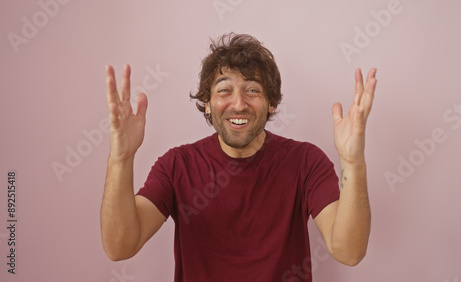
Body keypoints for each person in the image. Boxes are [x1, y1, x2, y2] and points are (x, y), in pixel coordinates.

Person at [100, 33, 376, 282]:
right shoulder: (177, 166)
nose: (239, 103)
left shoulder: (306, 162)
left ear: (271, 103)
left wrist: (353, 163)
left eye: (252, 90)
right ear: (207, 103)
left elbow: (348, 251)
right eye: (224, 90)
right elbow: (120, 246)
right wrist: (120, 158)